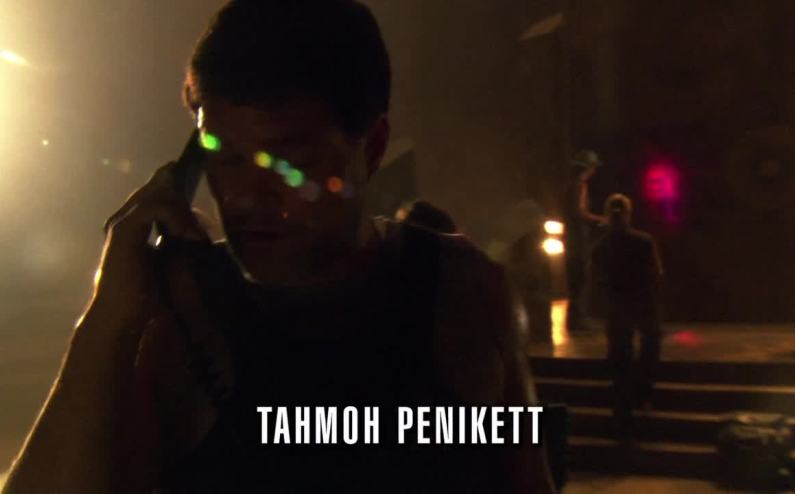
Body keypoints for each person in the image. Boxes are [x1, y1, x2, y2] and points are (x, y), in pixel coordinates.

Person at [2, 1, 555, 493]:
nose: (244, 197)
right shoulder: (178, 320)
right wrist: (107, 320)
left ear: (372, 147)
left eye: (288, 162)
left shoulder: (463, 291)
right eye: (224, 156)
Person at [591, 193, 663, 438]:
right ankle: (644, 394)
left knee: (620, 356)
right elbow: (656, 273)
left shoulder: (601, 247)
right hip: (643, 302)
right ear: (629, 214)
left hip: (617, 306)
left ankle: (623, 411)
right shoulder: (644, 241)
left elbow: (596, 280)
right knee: (650, 344)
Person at [563, 149, 606, 333]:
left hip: (571, 238)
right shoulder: (579, 186)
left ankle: (574, 319)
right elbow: (579, 212)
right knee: (580, 279)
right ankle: (578, 320)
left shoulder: (570, 185)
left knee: (575, 280)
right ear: (587, 168)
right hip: (578, 238)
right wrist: (601, 219)